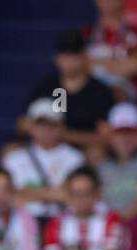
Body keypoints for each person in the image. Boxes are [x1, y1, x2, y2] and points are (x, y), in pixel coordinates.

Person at [23, 29, 116, 157]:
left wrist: (66, 136)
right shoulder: (47, 86)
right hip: (45, 146)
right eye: (65, 55)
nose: (69, 61)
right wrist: (48, 134)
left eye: (74, 55)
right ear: (57, 58)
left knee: (96, 152)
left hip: (81, 152)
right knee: (12, 148)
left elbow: (106, 137)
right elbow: (24, 123)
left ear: (84, 57)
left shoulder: (100, 91)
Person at [4, 99, 86, 232]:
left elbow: (70, 195)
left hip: (63, 224)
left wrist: (26, 192)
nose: (46, 130)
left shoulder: (75, 158)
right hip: (23, 225)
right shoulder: (13, 159)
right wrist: (55, 192)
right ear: (30, 126)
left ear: (61, 126)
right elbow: (10, 196)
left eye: (52, 124)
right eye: (40, 124)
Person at [41, 166, 123, 250]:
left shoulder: (112, 219)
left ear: (97, 194)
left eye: (87, 193)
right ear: (69, 195)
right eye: (76, 194)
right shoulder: (56, 221)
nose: (82, 200)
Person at [96, 102, 137, 217]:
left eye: (130, 132)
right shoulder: (103, 165)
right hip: (108, 227)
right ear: (111, 135)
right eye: (119, 133)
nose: (125, 138)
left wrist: (118, 221)